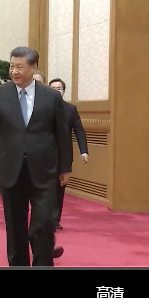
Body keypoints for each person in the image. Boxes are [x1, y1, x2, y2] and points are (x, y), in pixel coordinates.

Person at [0, 47, 72, 266]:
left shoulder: (51, 96)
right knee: (15, 228)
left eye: (19, 67)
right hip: (11, 170)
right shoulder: (1, 93)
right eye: (11, 66)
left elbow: (62, 133)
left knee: (43, 225)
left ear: (33, 67)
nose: (14, 71)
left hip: (44, 171)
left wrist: (65, 167)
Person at [49, 77, 89, 230]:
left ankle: (55, 219)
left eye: (59, 88)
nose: (56, 91)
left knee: (59, 189)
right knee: (45, 189)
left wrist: (83, 151)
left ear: (64, 91)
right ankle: (45, 218)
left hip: (63, 155)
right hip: (44, 154)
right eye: (53, 88)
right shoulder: (42, 108)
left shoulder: (70, 109)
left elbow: (79, 130)